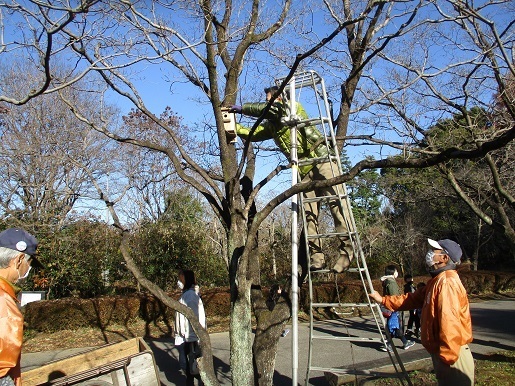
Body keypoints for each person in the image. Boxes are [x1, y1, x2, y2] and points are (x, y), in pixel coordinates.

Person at [229, 86, 354, 272]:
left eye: (271, 99)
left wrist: (243, 108)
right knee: (309, 214)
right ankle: (317, 257)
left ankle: (347, 253)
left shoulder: (291, 107)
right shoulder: (272, 125)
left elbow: (270, 109)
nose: (268, 103)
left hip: (320, 159)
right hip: (303, 169)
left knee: (337, 205)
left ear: (281, 99)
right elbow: (254, 134)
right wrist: (234, 127)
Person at [369, 239, 474, 386]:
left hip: (453, 355)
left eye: (434, 251)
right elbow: (411, 299)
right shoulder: (436, 281)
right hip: (446, 352)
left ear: (445, 258)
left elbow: (450, 322)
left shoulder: (447, 282)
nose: (430, 253)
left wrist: (447, 359)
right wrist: (383, 300)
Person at [0, 228, 38, 386]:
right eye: (28, 263)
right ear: (18, 259)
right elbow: (3, 370)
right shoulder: (5, 304)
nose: (28, 269)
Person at [175, 270, 206, 386]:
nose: (178, 282)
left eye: (180, 278)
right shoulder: (187, 294)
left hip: (189, 337)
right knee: (188, 367)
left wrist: (192, 338)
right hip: (185, 336)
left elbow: (195, 318)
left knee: (191, 366)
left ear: (185, 279)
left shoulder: (190, 296)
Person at [379, 265, 415, 352]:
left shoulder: (387, 281)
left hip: (389, 307)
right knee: (394, 326)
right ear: (392, 272)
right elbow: (394, 297)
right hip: (393, 307)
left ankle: (403, 342)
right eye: (396, 271)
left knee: (394, 326)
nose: (397, 273)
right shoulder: (391, 282)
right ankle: (390, 344)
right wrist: (399, 305)